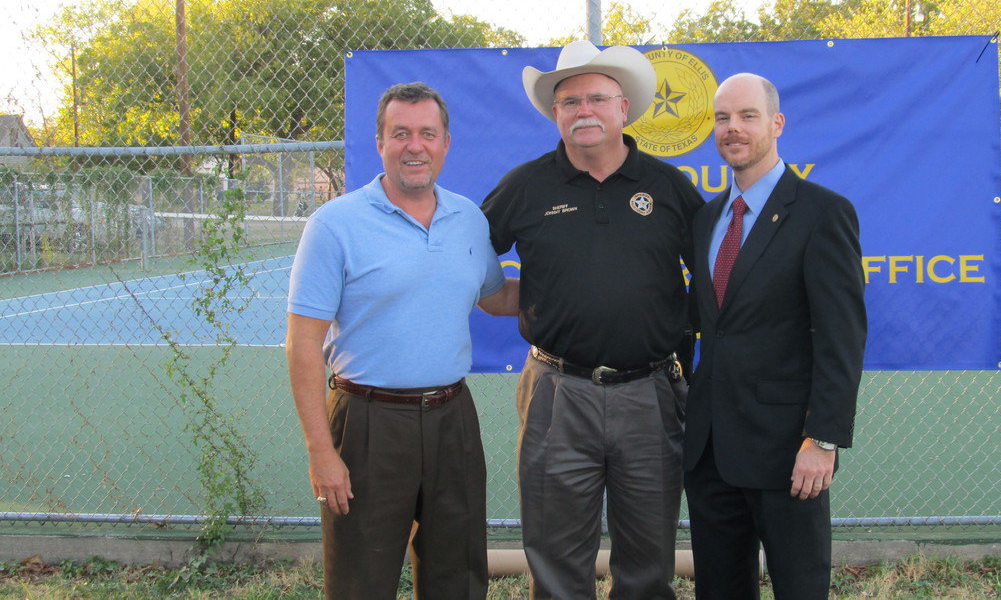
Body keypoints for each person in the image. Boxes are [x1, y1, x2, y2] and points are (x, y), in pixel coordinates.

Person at [482, 40, 705, 599]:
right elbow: (468, 258)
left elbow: (713, 279)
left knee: (648, 564)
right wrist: (511, 296)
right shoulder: (525, 186)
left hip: (651, 393)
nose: (584, 111)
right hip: (556, 392)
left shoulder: (669, 187)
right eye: (570, 101)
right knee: (556, 562)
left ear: (623, 108)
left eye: (597, 99)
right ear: (555, 113)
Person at [286, 82, 518, 599]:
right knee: (360, 582)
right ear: (380, 143)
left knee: (458, 579)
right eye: (401, 134)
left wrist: (576, 287)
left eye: (427, 134)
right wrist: (321, 451)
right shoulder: (334, 225)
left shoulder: (468, 218)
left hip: (453, 419)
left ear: (446, 143)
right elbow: (302, 346)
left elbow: (497, 297)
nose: (416, 146)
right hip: (367, 424)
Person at [683, 73, 867, 599]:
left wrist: (823, 440)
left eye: (748, 116)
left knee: (799, 588)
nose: (733, 128)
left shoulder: (822, 212)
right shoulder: (706, 218)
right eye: (722, 118)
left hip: (789, 452)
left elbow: (841, 336)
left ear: (777, 123)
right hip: (711, 452)